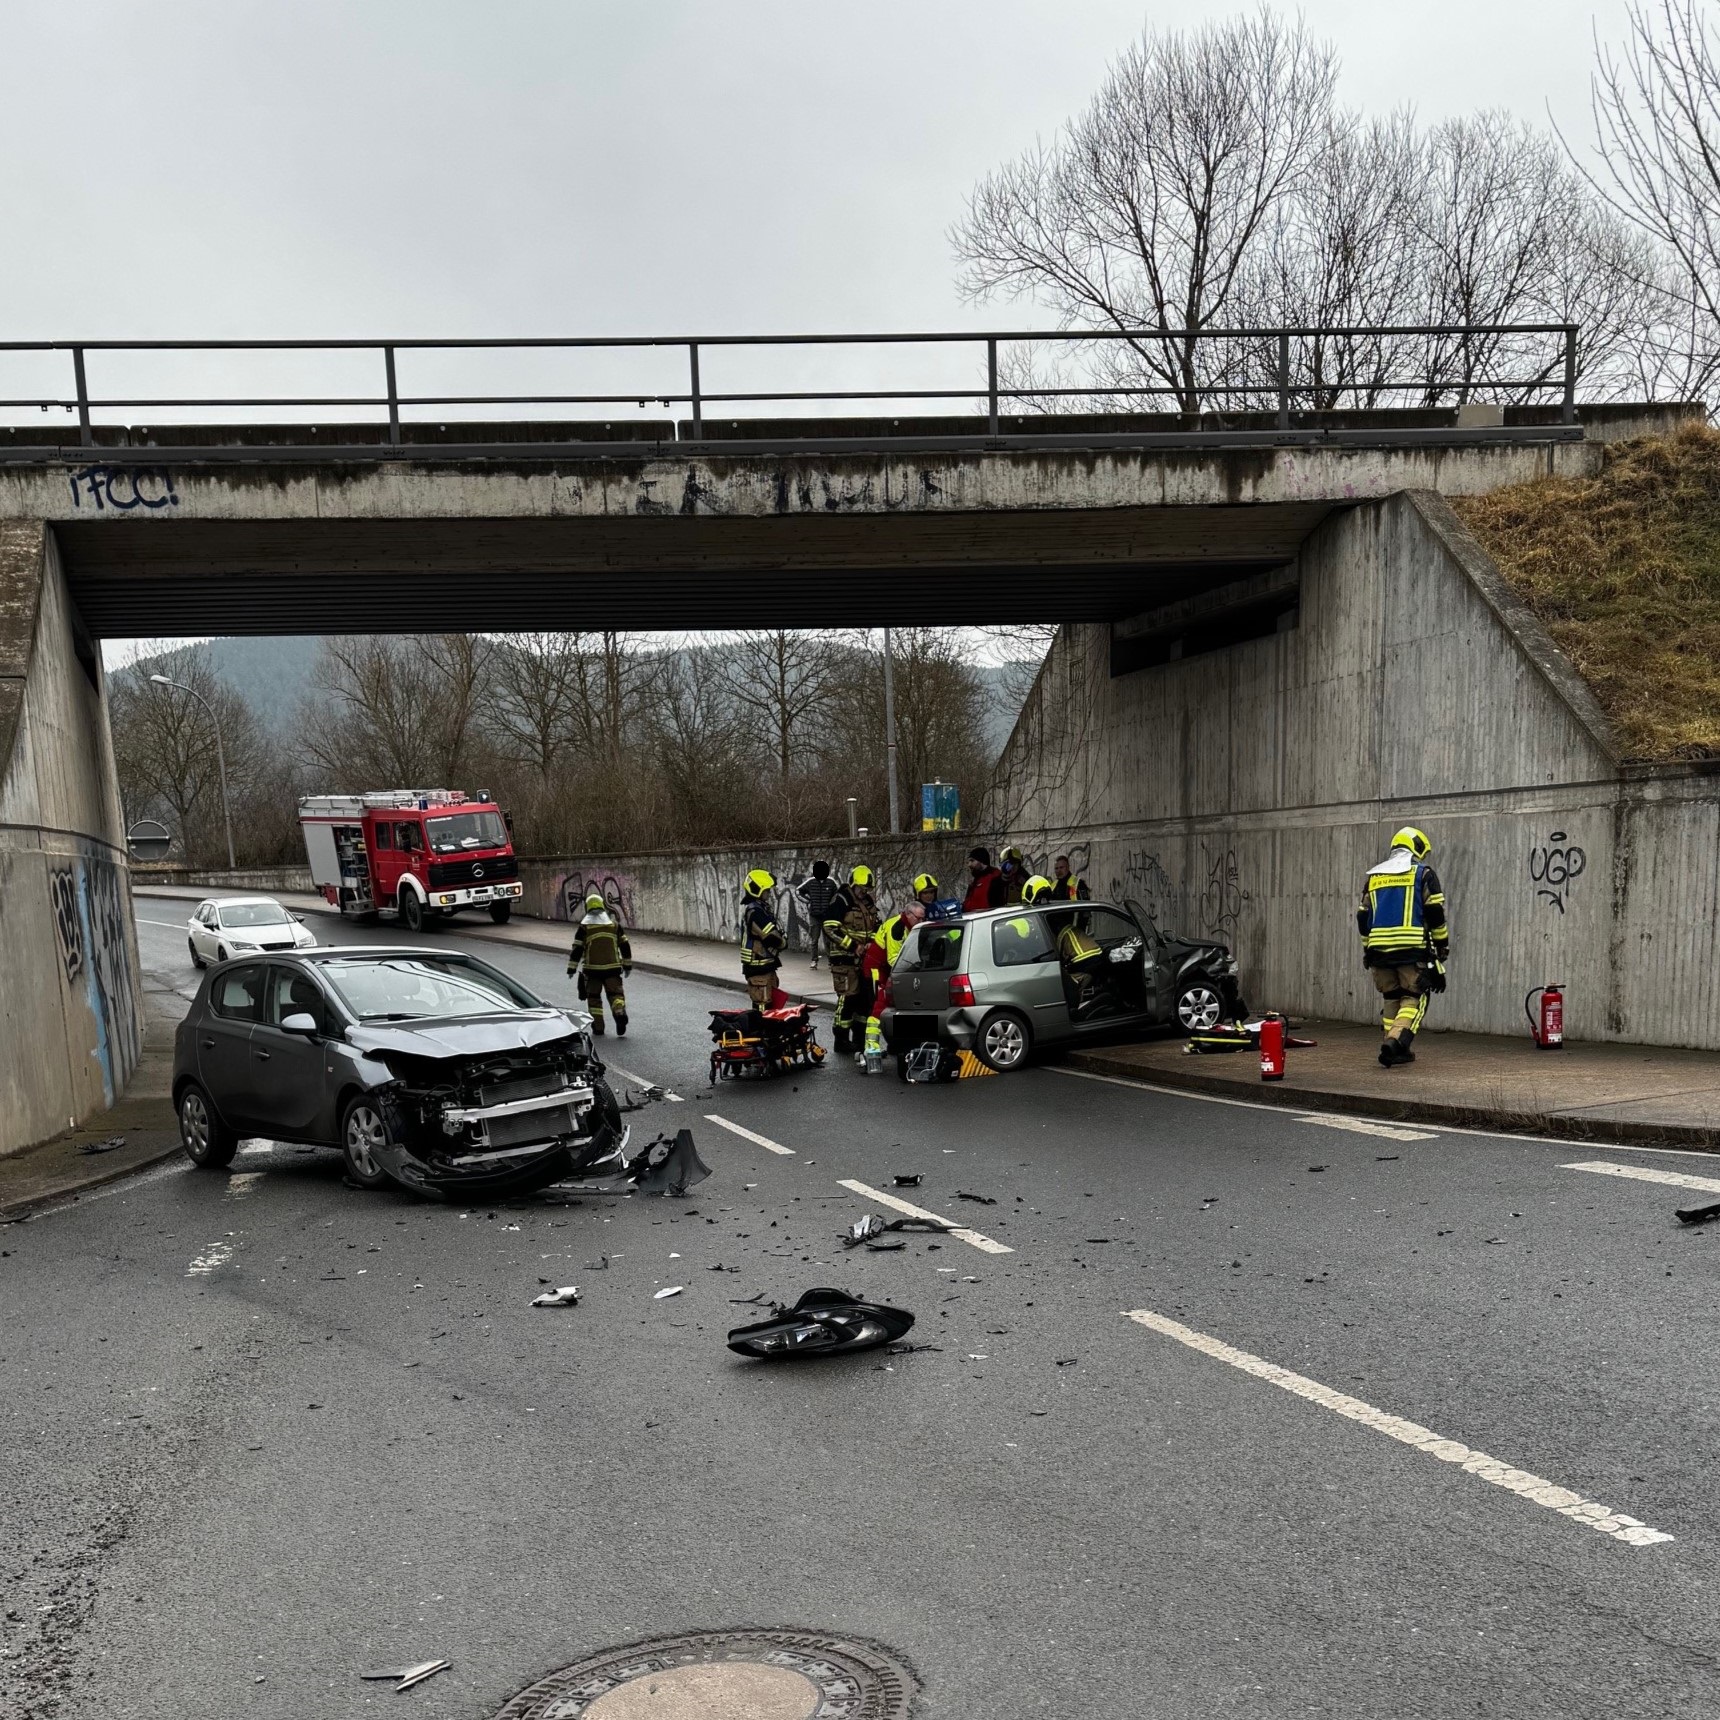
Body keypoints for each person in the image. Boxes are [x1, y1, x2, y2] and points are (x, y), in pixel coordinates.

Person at [1357, 826, 1450, 1067]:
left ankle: (1392, 1047)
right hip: (1411, 949)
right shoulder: (1423, 874)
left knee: (1391, 997)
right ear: (1416, 847)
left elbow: (1362, 917)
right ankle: (1397, 1041)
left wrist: (1367, 949)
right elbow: (1434, 911)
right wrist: (1442, 946)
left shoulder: (1374, 876)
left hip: (1378, 951)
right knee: (1415, 997)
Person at [825, 863, 882, 1054]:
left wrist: (870, 944)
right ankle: (841, 1040)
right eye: (861, 888)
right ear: (852, 884)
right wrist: (853, 945)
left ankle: (858, 1039)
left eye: (867, 889)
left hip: (864, 959)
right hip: (844, 959)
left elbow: (877, 928)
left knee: (864, 1001)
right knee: (847, 999)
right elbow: (830, 928)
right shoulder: (841, 900)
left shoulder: (868, 903)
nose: (864, 892)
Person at [567, 890, 632, 1036]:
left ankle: (598, 1028)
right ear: (603, 907)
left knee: (594, 999)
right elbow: (625, 946)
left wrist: (571, 969)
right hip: (612, 969)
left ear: (588, 907)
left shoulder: (584, 927)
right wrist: (627, 966)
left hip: (592, 970)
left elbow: (577, 949)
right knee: (616, 995)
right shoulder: (614, 926)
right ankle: (619, 1011)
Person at [740, 868, 785, 1010]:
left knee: (769, 1004)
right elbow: (771, 936)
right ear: (757, 890)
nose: (769, 893)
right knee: (762, 1007)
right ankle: (761, 1032)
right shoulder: (755, 911)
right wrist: (783, 942)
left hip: (764, 964)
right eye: (766, 890)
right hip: (758, 965)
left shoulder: (760, 908)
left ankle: (767, 1031)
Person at [1055, 908, 1107, 1020]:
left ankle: (1078, 1006)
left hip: (1084, 960)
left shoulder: (1061, 935)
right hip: (1098, 955)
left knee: (1067, 977)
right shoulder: (1075, 930)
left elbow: (1058, 958)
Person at [795, 860, 841, 971]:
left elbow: (838, 895)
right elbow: (798, 891)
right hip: (814, 915)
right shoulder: (810, 882)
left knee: (828, 940)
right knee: (814, 940)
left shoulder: (831, 882)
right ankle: (814, 961)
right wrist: (808, 901)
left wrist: (832, 906)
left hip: (827, 916)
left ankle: (831, 961)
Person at [963, 847, 1004, 913]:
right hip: (971, 918)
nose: (969, 864)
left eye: (972, 861)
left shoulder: (995, 877)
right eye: (969, 861)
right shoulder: (975, 880)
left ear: (981, 861)